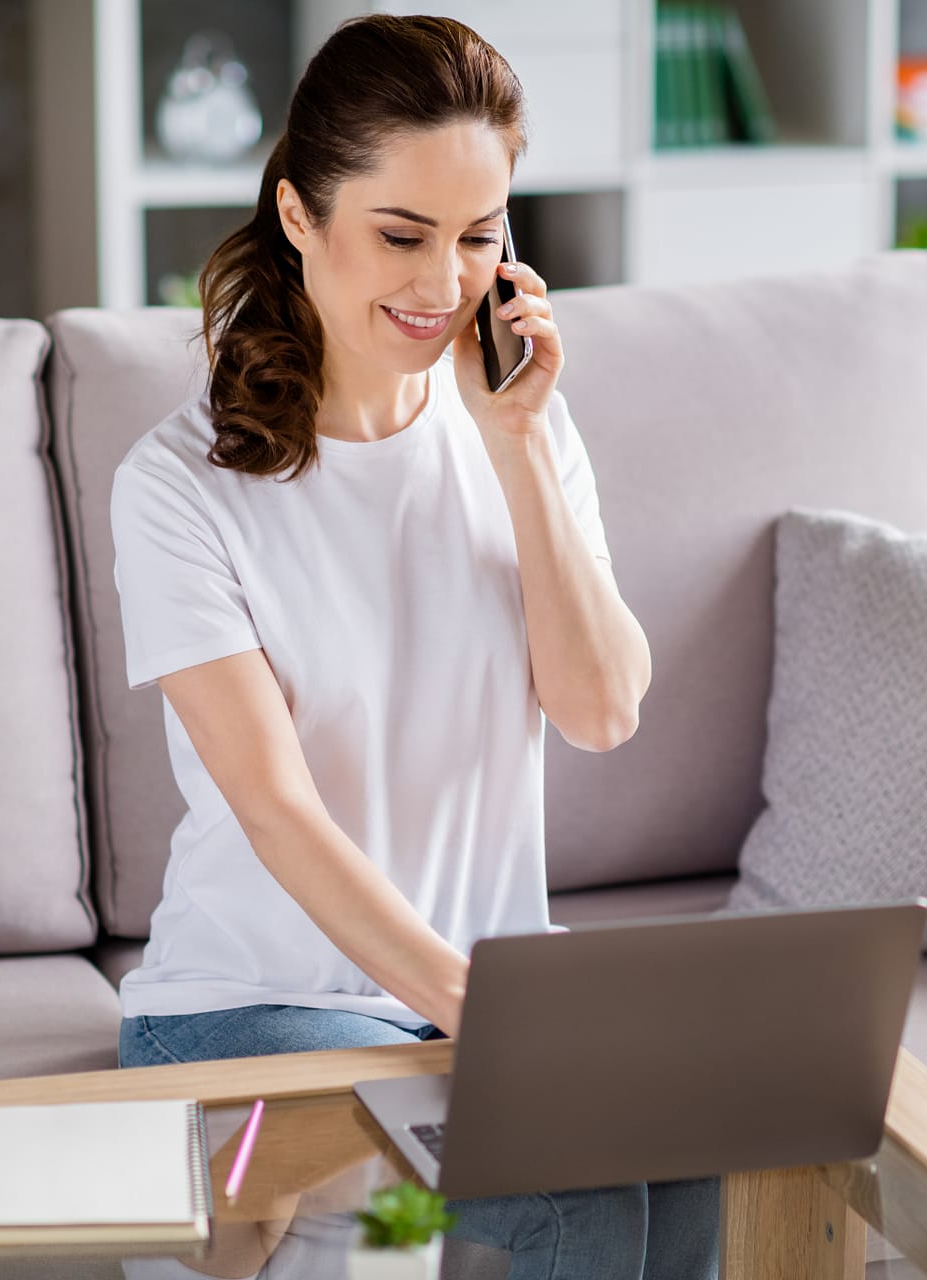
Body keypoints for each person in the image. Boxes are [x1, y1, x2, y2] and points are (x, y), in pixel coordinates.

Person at [106, 12, 719, 1280]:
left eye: (478, 236)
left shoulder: (521, 431)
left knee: (700, 1150)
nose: (443, 284)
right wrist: (486, 1017)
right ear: (297, 214)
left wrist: (519, 452)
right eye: (401, 234)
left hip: (468, 1006)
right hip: (247, 1006)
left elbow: (602, 709)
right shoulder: (178, 484)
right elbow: (277, 810)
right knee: (585, 1206)